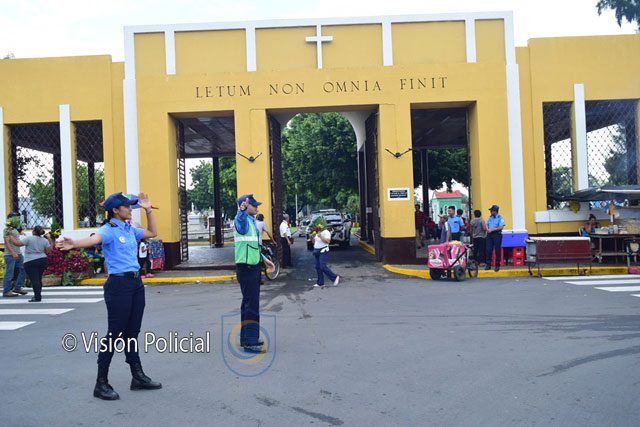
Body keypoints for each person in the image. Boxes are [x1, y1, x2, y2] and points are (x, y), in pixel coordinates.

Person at [57, 192, 161, 400]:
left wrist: (149, 210)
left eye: (131, 206)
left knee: (132, 332)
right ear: (115, 210)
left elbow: (152, 232)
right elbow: (94, 239)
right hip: (118, 286)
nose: (130, 209)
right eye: (126, 206)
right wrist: (74, 243)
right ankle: (101, 383)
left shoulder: (129, 229)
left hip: (135, 284)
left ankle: (137, 377)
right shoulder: (109, 230)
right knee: (114, 334)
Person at [234, 195, 276, 353]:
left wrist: (265, 260)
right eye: (254, 205)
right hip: (247, 268)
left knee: (248, 303)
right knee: (251, 305)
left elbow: (253, 246)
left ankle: (246, 338)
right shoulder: (242, 221)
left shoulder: (252, 222)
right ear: (245, 206)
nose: (257, 207)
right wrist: (241, 211)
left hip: (253, 266)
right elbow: (240, 220)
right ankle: (250, 342)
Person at [20, 226, 53, 302]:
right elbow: (49, 250)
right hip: (42, 260)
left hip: (30, 260)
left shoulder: (29, 238)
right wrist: (50, 240)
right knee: (38, 278)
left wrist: (10, 237)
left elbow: (18, 244)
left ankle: (37, 297)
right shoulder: (44, 240)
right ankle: (38, 295)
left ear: (34, 231)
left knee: (34, 279)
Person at [3, 215, 27, 297]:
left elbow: (15, 237)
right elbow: (7, 242)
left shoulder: (14, 229)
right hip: (10, 255)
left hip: (18, 253)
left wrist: (20, 233)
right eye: (16, 218)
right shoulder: (7, 229)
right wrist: (13, 253)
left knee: (23, 269)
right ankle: (6, 291)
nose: (17, 219)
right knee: (9, 273)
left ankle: (17, 287)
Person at [485, 204, 506, 272]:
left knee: (497, 250)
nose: (490, 212)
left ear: (495, 211)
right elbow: (487, 224)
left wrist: (493, 229)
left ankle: (497, 265)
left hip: (497, 234)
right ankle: (488, 265)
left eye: (491, 211)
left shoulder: (500, 218)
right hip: (489, 234)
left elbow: (501, 227)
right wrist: (487, 229)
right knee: (488, 249)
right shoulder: (490, 217)